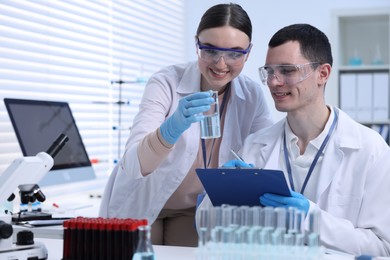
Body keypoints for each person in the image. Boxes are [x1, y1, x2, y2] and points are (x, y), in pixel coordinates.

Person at [196, 23, 390, 256]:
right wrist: (221, 192)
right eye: (269, 71)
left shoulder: (370, 149)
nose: (274, 82)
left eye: (287, 70)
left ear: (323, 73)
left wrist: (311, 217)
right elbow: (207, 228)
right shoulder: (256, 145)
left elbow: (382, 246)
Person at [99, 3, 273, 247]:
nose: (221, 64)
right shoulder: (166, 82)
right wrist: (168, 132)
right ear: (196, 44)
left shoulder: (252, 95)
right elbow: (133, 164)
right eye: (210, 50)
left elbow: (267, 154)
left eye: (234, 53)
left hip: (193, 210)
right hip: (142, 201)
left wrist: (247, 172)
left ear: (248, 51)